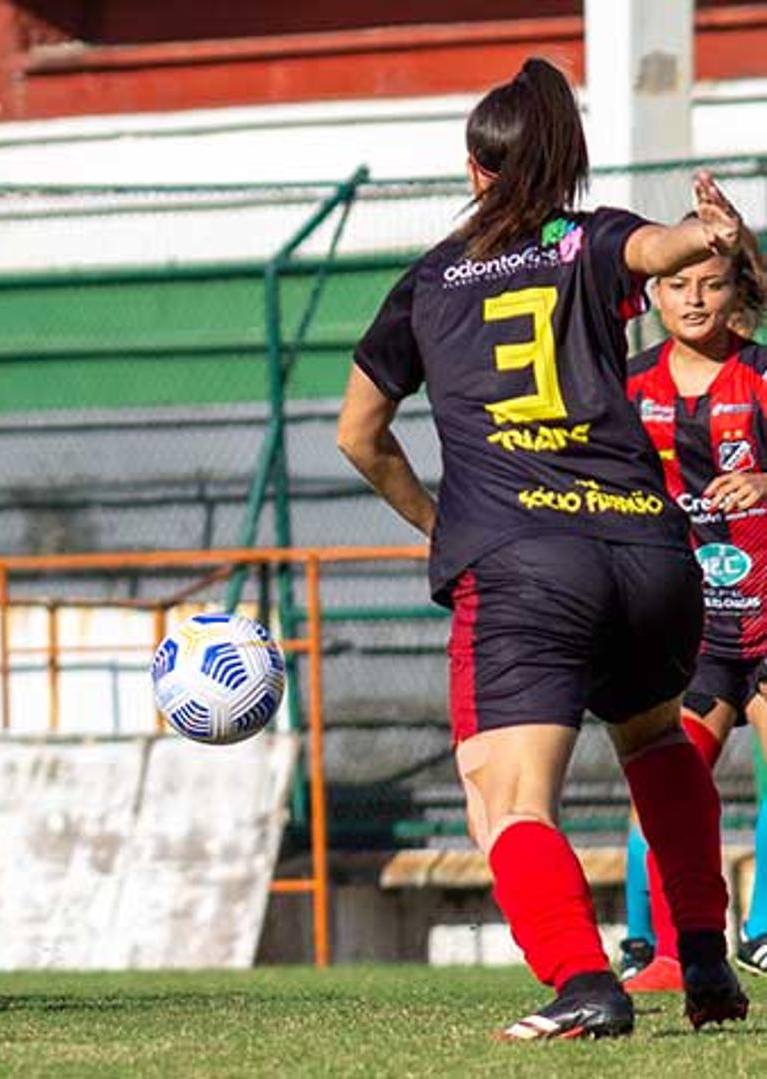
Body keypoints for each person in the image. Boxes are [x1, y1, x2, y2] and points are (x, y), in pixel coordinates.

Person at [335, 58, 751, 1038]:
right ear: (563, 164)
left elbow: (360, 430)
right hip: (649, 553)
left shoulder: (432, 278)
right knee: (653, 737)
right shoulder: (590, 238)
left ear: (476, 172)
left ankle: (584, 980)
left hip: (524, 563)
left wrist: (439, 524)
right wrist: (713, 234)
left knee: (506, 796)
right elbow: (662, 250)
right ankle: (703, 957)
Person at [619, 228, 767, 989]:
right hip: (690, 625)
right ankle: (656, 945)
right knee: (671, 781)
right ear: (654, 293)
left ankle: (765, 930)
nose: (695, 298)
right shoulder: (631, 384)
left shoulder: (762, 372)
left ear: (737, 288)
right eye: (678, 285)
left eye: (710, 283)